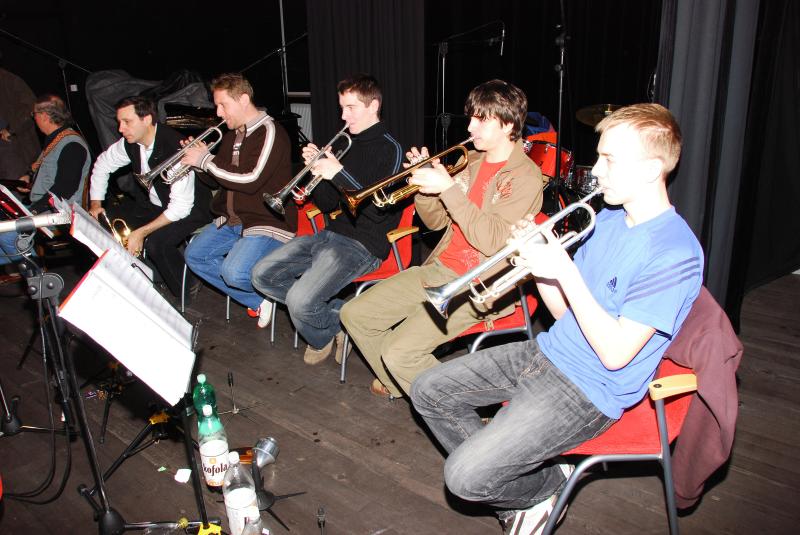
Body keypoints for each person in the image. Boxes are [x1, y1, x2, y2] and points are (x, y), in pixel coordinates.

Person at [410, 103, 704, 534]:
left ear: (650, 169)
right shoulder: (608, 221)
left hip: (590, 390)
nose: (595, 171)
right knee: (428, 390)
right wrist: (539, 267)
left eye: (609, 160)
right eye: (599, 156)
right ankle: (527, 490)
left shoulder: (674, 252)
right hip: (547, 353)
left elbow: (615, 354)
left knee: (464, 478)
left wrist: (564, 270)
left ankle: (544, 486)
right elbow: (565, 314)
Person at [340, 79, 543, 398]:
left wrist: (447, 188)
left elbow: (491, 240)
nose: (471, 127)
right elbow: (435, 222)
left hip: (480, 284)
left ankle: (465, 404)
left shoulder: (525, 176)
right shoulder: (470, 161)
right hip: (440, 269)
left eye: (481, 120)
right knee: (354, 314)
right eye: (471, 118)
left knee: (398, 353)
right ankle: (400, 383)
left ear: (507, 125)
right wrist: (423, 189)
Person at [250, 73, 404, 364]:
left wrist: (338, 173)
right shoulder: (347, 144)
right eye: (342, 108)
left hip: (364, 244)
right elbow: (329, 204)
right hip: (330, 234)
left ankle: (321, 330)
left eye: (351, 107)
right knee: (261, 275)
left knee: (299, 301)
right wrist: (317, 172)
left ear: (373, 106)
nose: (343, 116)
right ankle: (340, 321)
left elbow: (378, 210)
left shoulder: (391, 149)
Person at [181, 73, 296, 326]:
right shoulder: (233, 134)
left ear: (243, 100)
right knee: (195, 255)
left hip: (266, 219)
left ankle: (301, 300)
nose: (218, 113)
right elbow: (218, 181)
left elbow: (250, 179)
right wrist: (199, 165)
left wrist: (205, 160)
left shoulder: (270, 131)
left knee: (233, 273)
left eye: (223, 105)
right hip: (234, 219)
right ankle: (258, 300)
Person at [89, 95, 212, 299]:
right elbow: (102, 164)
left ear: (146, 119)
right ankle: (149, 277)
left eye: (127, 122)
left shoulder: (175, 147)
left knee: (156, 243)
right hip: (157, 204)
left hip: (192, 209)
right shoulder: (131, 143)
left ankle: (187, 287)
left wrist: (142, 232)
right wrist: (96, 204)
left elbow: (180, 208)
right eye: (119, 122)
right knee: (107, 220)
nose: (120, 128)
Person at [0, 95, 90, 266]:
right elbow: (47, 170)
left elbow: (65, 189)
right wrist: (29, 178)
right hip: (46, 207)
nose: (33, 118)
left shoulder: (72, 145)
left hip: (61, 212)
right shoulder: (56, 139)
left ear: (44, 116)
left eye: (34, 114)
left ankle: (34, 274)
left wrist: (32, 212)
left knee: (7, 235)